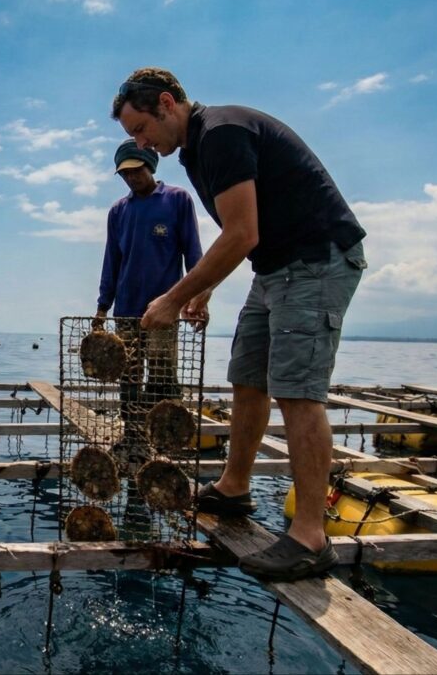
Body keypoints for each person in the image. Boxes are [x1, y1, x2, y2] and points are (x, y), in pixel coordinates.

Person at [111, 67, 367, 582]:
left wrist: (173, 297)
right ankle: (233, 488)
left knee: (297, 391)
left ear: (167, 103)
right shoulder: (195, 151)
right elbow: (242, 234)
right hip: (272, 268)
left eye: (140, 129)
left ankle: (310, 538)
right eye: (132, 137)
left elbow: (241, 233)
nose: (142, 143)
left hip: (317, 259)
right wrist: (203, 290)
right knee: (247, 377)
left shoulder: (223, 131)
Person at [94, 140, 203, 464]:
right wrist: (102, 307)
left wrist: (197, 298)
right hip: (126, 310)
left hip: (164, 310)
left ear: (150, 166)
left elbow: (193, 254)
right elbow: (111, 261)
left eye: (136, 171)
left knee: (162, 374)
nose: (131, 178)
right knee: (129, 377)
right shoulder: (118, 211)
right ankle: (133, 438)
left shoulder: (177, 200)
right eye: (125, 174)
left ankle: (165, 442)